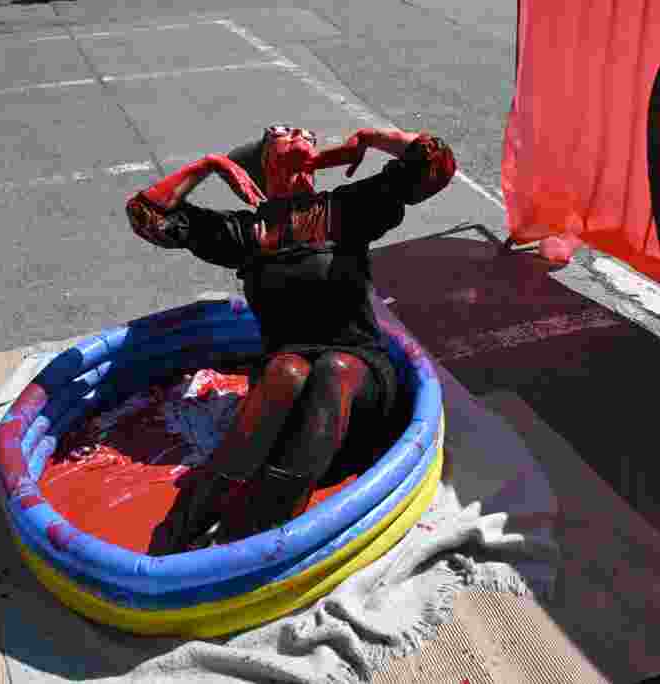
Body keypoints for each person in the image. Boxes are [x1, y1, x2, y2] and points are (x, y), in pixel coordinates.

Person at [126, 125, 456, 553]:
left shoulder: (350, 208)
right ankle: (192, 517)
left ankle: (261, 535)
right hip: (284, 393)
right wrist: (208, 165)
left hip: (360, 379)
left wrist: (371, 138)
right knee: (288, 369)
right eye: (283, 148)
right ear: (262, 169)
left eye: (306, 146)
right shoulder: (245, 233)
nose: (299, 146)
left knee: (332, 369)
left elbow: (434, 163)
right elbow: (148, 214)